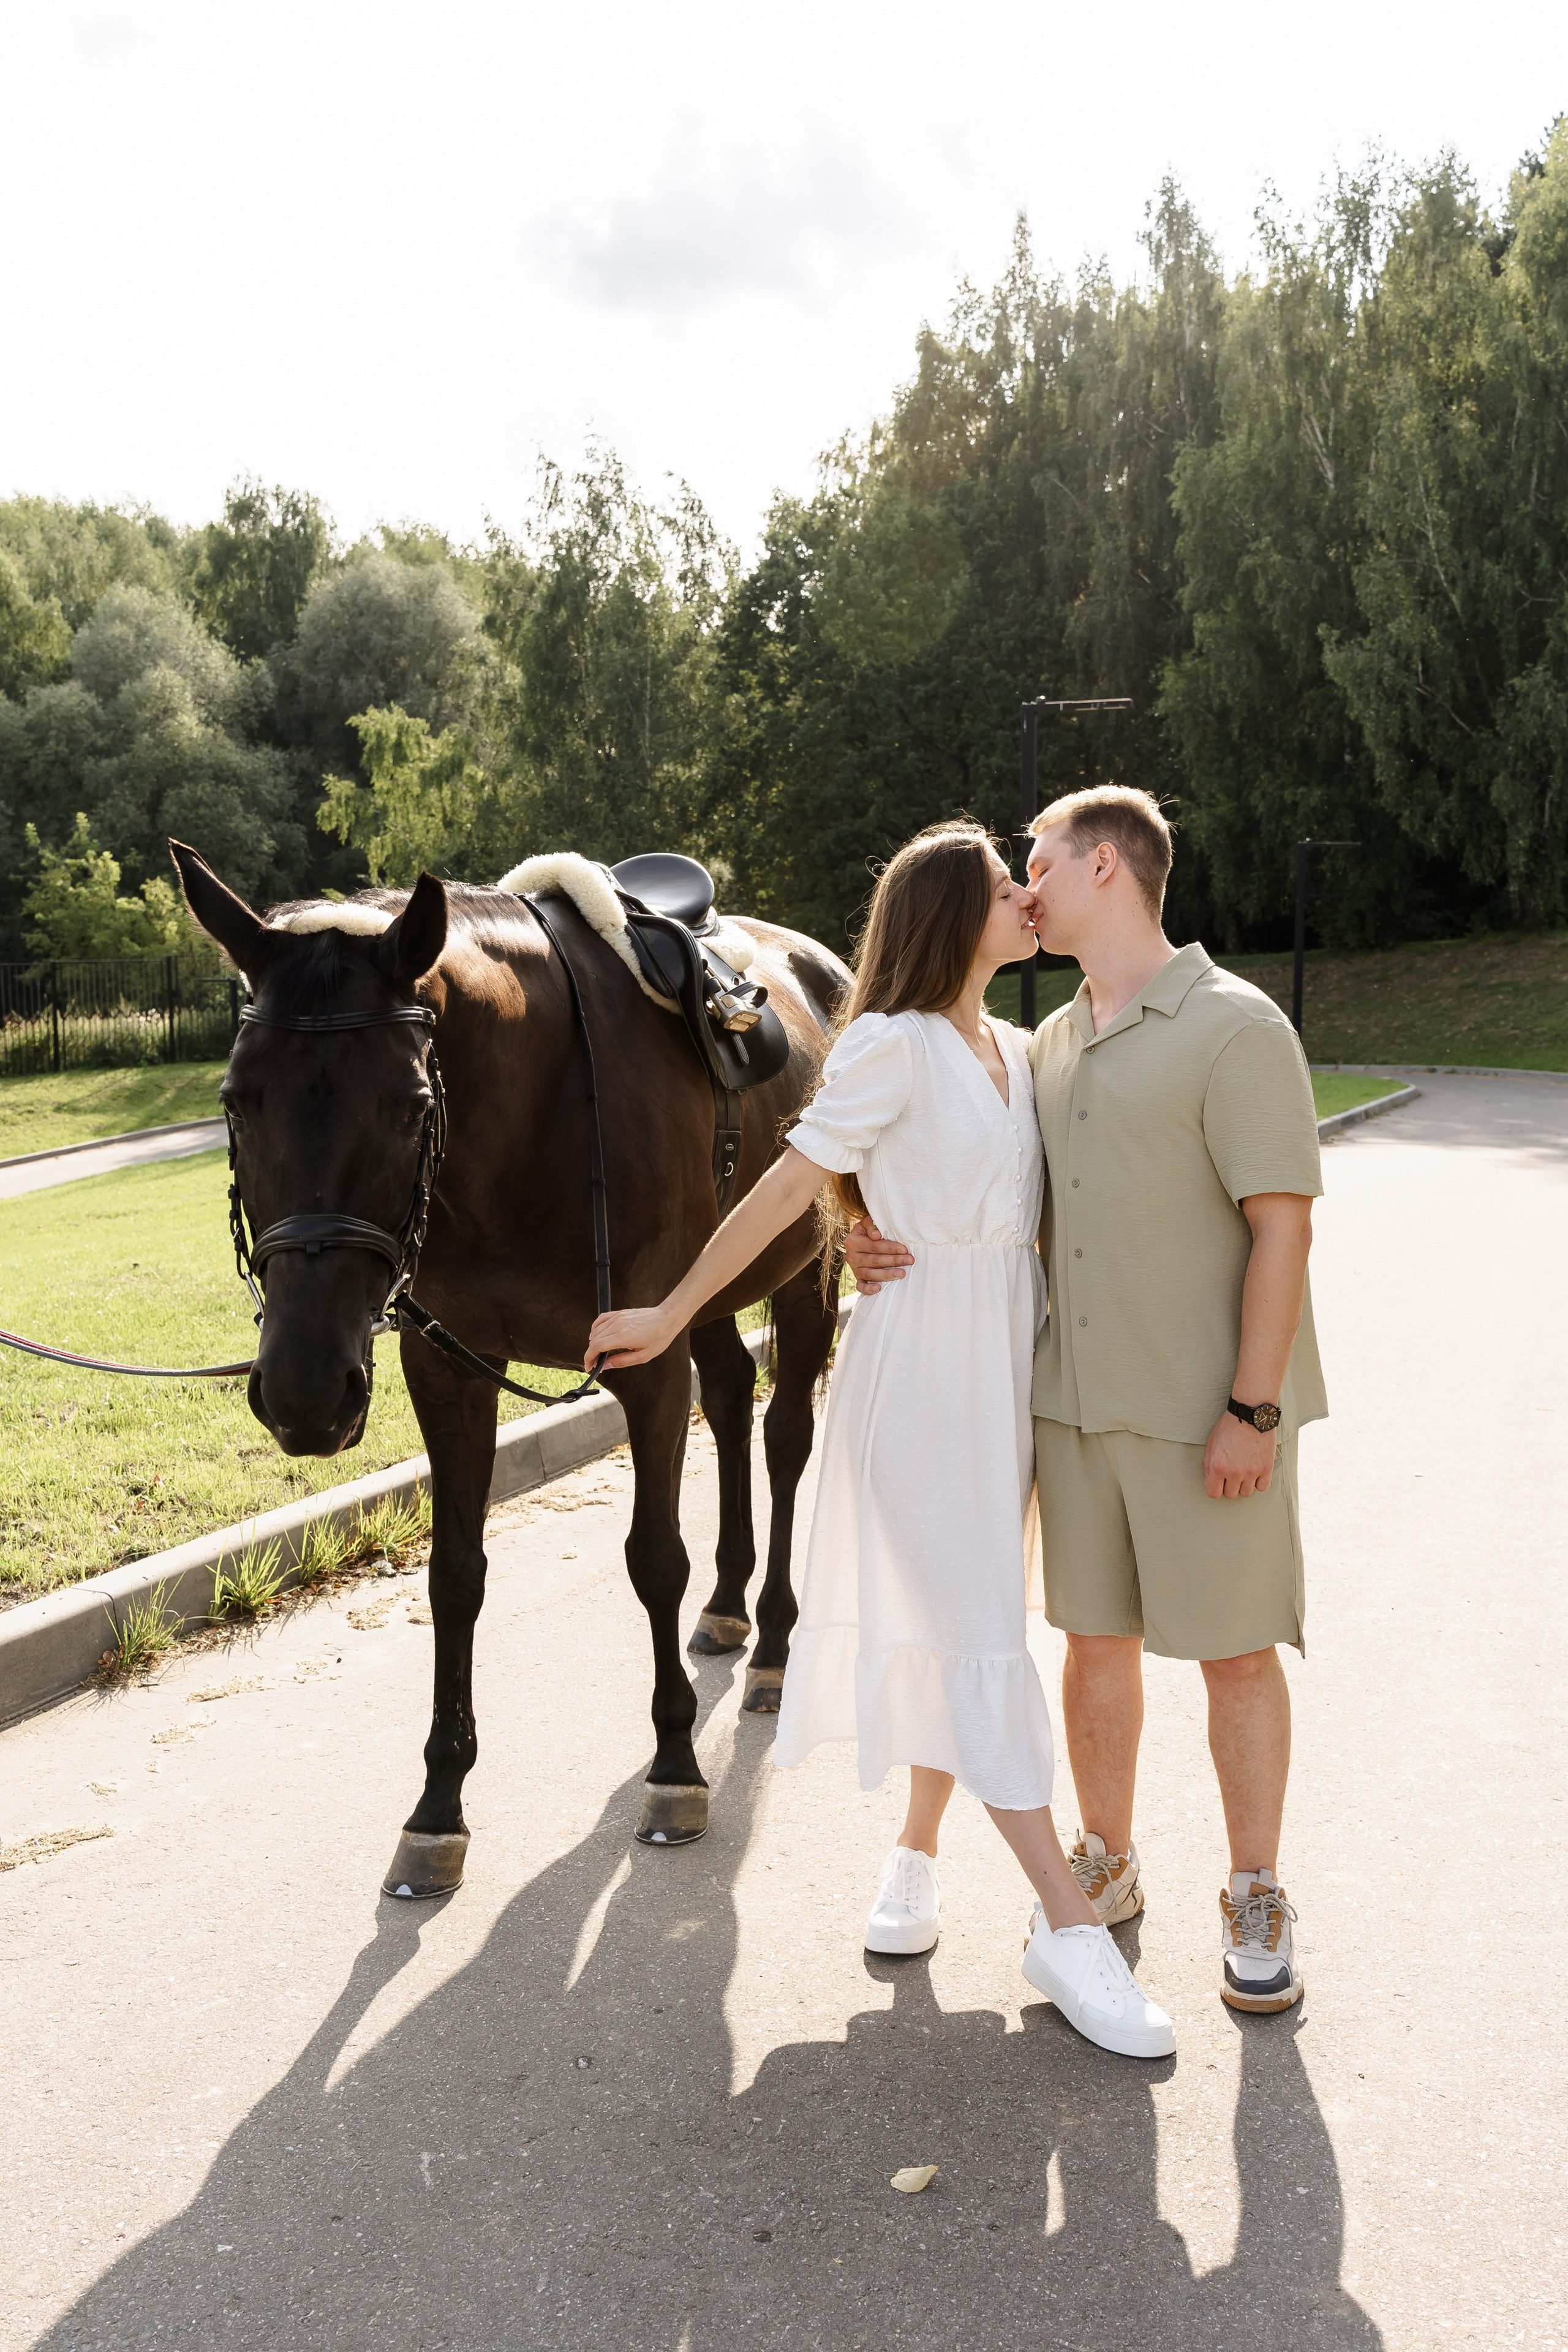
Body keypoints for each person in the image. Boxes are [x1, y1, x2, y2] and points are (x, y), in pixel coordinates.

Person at [587, 821, 1175, 2060]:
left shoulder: (1017, 1048)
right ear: (949, 916)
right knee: (970, 1625)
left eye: (1030, 884)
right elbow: (790, 1184)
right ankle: (1064, 1929)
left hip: (1005, 1362)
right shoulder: (888, 1043)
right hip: (914, 1375)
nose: (1026, 900)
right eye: (1004, 888)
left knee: (968, 1621)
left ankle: (913, 1855)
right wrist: (676, 1309)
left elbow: (1013, 1193)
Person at [846, 786, 1324, 2015]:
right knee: (1089, 1651)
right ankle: (1101, 1868)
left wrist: (1253, 1409)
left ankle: (1254, 1888)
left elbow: (1280, 1230)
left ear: (1104, 868)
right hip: (1063, 1409)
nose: (1022, 883)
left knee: (1232, 1655)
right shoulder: (1041, 1044)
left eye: (1037, 860)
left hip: (1205, 1413)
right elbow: (945, 1164)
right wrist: (858, 1223)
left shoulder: (1234, 1026)